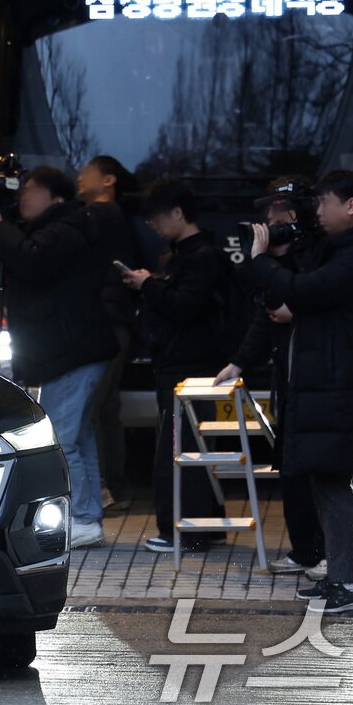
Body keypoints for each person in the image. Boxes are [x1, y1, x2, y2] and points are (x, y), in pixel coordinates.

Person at [243, 169, 353, 613]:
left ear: (351, 207)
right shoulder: (333, 249)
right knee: (324, 483)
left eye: (325, 203)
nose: (318, 212)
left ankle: (347, 586)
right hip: (324, 389)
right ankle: (339, 578)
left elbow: (306, 289)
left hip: (340, 390)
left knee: (333, 482)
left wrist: (263, 258)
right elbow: (293, 290)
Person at [0, 166, 119, 548]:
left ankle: (83, 517)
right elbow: (7, 256)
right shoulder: (42, 230)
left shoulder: (67, 229)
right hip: (68, 350)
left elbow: (30, 259)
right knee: (78, 436)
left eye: (31, 191)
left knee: (64, 436)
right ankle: (88, 516)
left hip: (73, 351)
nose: (24, 198)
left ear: (56, 197)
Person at [215, 177, 327, 581]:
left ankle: (325, 553)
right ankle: (305, 550)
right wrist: (239, 363)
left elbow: (323, 305)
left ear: (297, 214)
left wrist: (295, 312)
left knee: (315, 470)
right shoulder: (278, 260)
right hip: (288, 380)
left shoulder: (318, 254)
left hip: (315, 379)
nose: (268, 220)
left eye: (276, 212)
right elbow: (267, 316)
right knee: (290, 467)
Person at [120, 179, 229, 554]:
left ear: (179, 213)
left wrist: (149, 285)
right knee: (191, 446)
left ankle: (185, 531)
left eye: (157, 218)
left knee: (180, 449)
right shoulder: (191, 253)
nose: (153, 226)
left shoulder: (200, 256)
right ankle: (205, 526)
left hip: (189, 364)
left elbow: (185, 306)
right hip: (188, 361)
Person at [76, 155, 139, 511]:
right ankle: (117, 487)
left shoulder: (100, 215)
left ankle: (99, 489)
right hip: (117, 322)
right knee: (106, 408)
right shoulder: (109, 217)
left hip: (107, 322)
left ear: (109, 180)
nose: (80, 178)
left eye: (88, 174)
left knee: (91, 406)